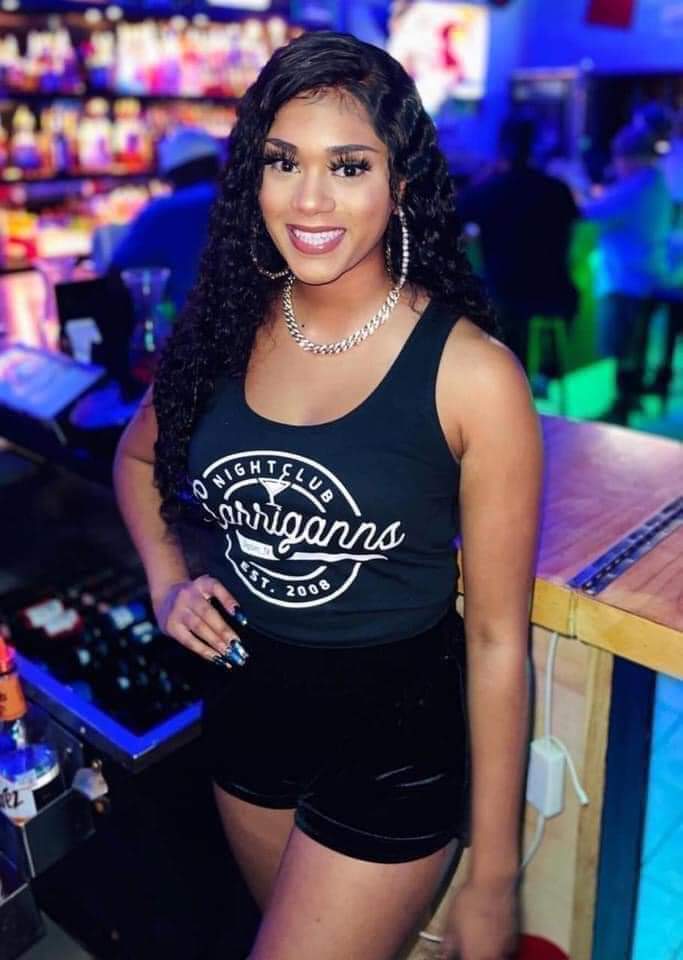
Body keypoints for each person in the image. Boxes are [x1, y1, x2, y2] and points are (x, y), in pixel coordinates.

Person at [113, 32, 541, 960]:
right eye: (283, 162)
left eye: (348, 166)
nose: (309, 199)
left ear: (399, 185)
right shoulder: (226, 329)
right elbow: (136, 459)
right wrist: (166, 583)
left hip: (394, 740)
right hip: (245, 712)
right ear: (252, 177)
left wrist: (496, 874)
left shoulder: (472, 376)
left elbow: (497, 641)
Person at [456, 112, 579, 371]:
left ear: (502, 150)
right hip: (555, 292)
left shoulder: (488, 189)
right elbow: (574, 238)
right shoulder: (558, 190)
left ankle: (503, 378)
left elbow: (450, 219)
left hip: (502, 293)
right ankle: (546, 369)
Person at [582, 123, 675, 423]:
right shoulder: (654, 182)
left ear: (631, 158)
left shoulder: (636, 187)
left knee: (623, 345)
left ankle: (622, 406)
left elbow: (590, 213)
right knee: (632, 343)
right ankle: (628, 399)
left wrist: (580, 194)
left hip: (627, 278)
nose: (616, 165)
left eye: (619, 158)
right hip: (644, 272)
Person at [106, 126, 221, 313]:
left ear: (172, 175)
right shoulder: (248, 201)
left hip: (197, 324)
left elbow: (118, 272)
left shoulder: (163, 212)